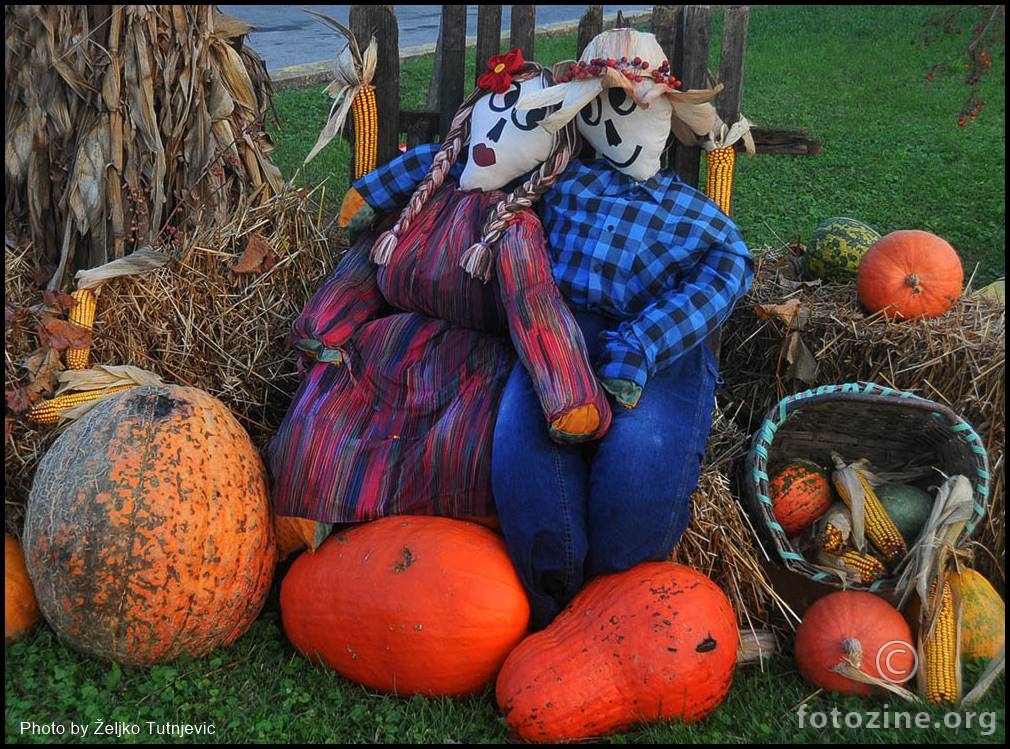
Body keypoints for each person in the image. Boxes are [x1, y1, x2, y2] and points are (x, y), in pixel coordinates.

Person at [269, 52, 610, 525]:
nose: (492, 138)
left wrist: (568, 396)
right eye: (492, 118)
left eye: (518, 129)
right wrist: (323, 325)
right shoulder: (422, 199)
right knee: (315, 428)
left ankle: (424, 552)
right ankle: (307, 524)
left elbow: (536, 310)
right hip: (383, 353)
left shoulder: (511, 229)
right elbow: (364, 265)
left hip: (466, 372)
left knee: (456, 454)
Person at [491, 28, 756, 628]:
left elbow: (732, 269)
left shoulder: (692, 212)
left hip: (661, 338)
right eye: (600, 109)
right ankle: (552, 603)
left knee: (643, 459)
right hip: (560, 326)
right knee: (524, 450)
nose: (614, 127)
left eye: (632, 107)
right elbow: (490, 185)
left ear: (665, 112)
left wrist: (643, 343)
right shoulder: (560, 183)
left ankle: (610, 609)